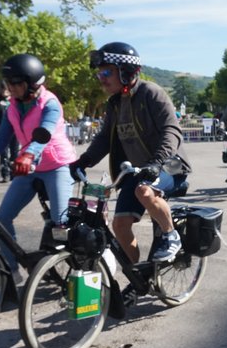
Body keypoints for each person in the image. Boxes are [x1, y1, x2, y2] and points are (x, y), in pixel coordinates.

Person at [70, 42, 192, 263]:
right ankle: (137, 277)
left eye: (106, 72)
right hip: (138, 170)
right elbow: (104, 138)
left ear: (125, 71)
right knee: (119, 224)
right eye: (99, 74)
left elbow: (171, 130)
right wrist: (84, 160)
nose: (102, 78)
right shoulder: (115, 103)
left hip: (169, 165)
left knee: (145, 192)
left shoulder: (151, 93)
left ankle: (171, 235)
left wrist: (157, 162)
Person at [0, 54, 76, 282]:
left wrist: (27, 155)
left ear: (33, 84)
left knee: (60, 224)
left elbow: (44, 135)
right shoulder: (12, 108)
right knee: (3, 218)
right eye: (7, 83)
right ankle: (12, 271)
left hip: (56, 165)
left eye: (16, 83)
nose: (11, 88)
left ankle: (86, 264)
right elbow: (1, 140)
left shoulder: (50, 104)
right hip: (29, 167)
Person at [0, 82, 18, 182]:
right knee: (3, 153)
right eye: (3, 89)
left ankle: (14, 174)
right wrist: (1, 97)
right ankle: (5, 174)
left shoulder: (14, 100)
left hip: (15, 129)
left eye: (6, 89)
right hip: (2, 129)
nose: (5, 91)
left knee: (15, 152)